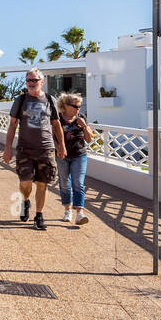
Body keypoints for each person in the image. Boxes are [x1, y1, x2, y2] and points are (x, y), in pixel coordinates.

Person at [2, 69, 66, 230]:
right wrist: (7, 148)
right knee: (25, 182)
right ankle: (25, 201)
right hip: (25, 148)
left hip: (46, 149)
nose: (31, 83)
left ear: (41, 82)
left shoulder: (50, 100)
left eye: (34, 80)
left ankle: (39, 216)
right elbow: (12, 125)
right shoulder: (21, 100)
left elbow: (57, 125)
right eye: (28, 80)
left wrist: (61, 146)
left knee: (43, 183)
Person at [56, 92, 93, 225]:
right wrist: (59, 148)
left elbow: (89, 139)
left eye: (79, 106)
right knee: (65, 184)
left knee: (78, 183)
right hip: (62, 156)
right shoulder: (58, 119)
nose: (78, 109)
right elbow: (52, 137)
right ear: (65, 105)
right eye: (75, 106)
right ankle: (67, 210)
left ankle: (80, 213)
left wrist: (84, 126)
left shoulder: (81, 118)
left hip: (79, 155)